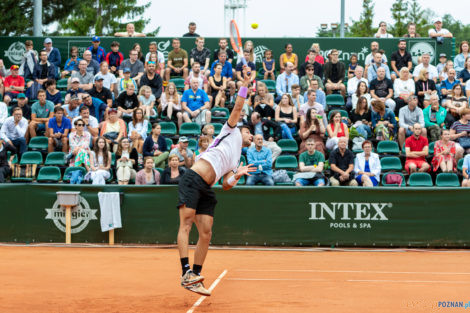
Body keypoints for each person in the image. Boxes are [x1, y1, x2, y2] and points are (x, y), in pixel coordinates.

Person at [176, 70, 255, 297]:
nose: (252, 137)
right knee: (186, 225)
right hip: (193, 179)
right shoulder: (231, 131)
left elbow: (226, 185)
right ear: (243, 130)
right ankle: (185, 272)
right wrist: (245, 86)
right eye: (250, 133)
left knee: (207, 233)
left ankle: (196, 276)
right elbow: (238, 108)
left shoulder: (237, 157)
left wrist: (237, 174)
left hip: (207, 188)